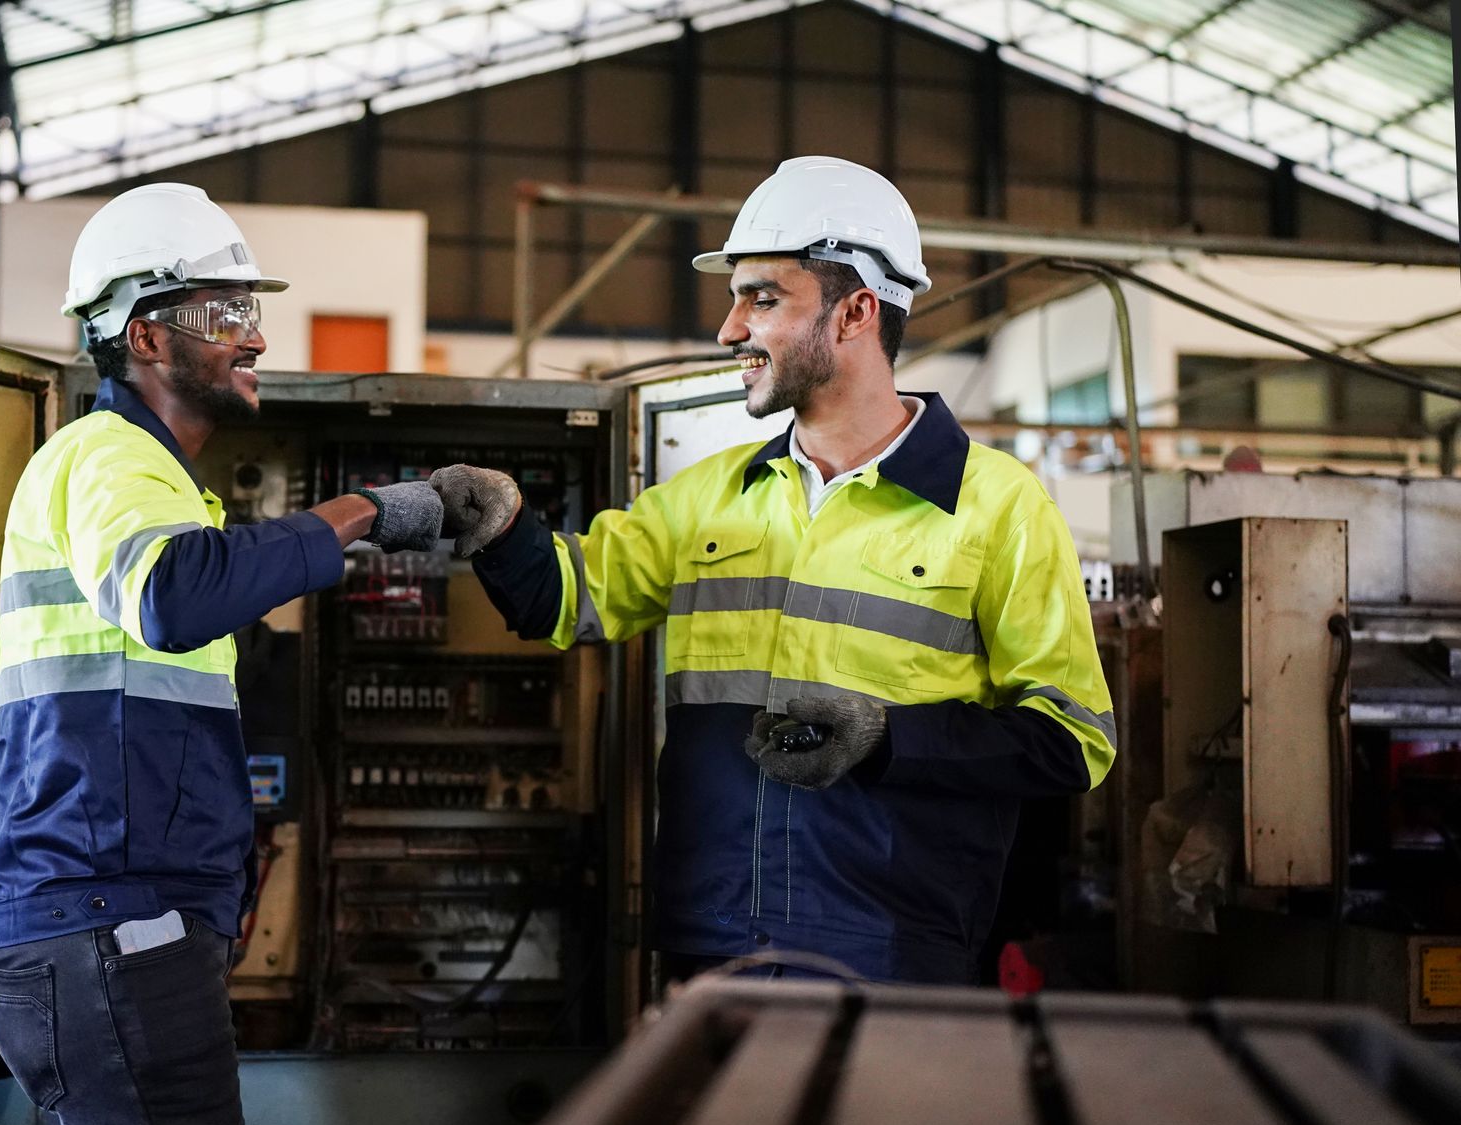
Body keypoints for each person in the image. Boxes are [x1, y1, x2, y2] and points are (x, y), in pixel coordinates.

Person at [432, 156, 1117, 985]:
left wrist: (888, 739)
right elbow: (565, 599)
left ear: (857, 310)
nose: (729, 329)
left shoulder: (999, 507)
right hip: (712, 937)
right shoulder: (714, 499)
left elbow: (1072, 742)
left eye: (762, 298)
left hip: (889, 950)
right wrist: (502, 527)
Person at [0, 182, 442, 1125]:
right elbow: (173, 595)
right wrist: (362, 511)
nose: (257, 336)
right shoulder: (107, 459)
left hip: (104, 923)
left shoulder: (161, 484)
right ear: (145, 333)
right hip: (107, 924)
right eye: (225, 314)